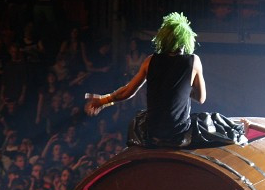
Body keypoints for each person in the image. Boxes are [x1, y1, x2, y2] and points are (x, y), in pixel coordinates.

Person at [83, 12, 246, 148]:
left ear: (164, 39)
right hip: (179, 132)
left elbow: (127, 91)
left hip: (152, 132)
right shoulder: (193, 61)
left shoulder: (150, 60)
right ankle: (243, 130)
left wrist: (103, 101)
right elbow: (201, 99)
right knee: (214, 121)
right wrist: (182, 90)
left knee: (139, 118)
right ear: (186, 39)